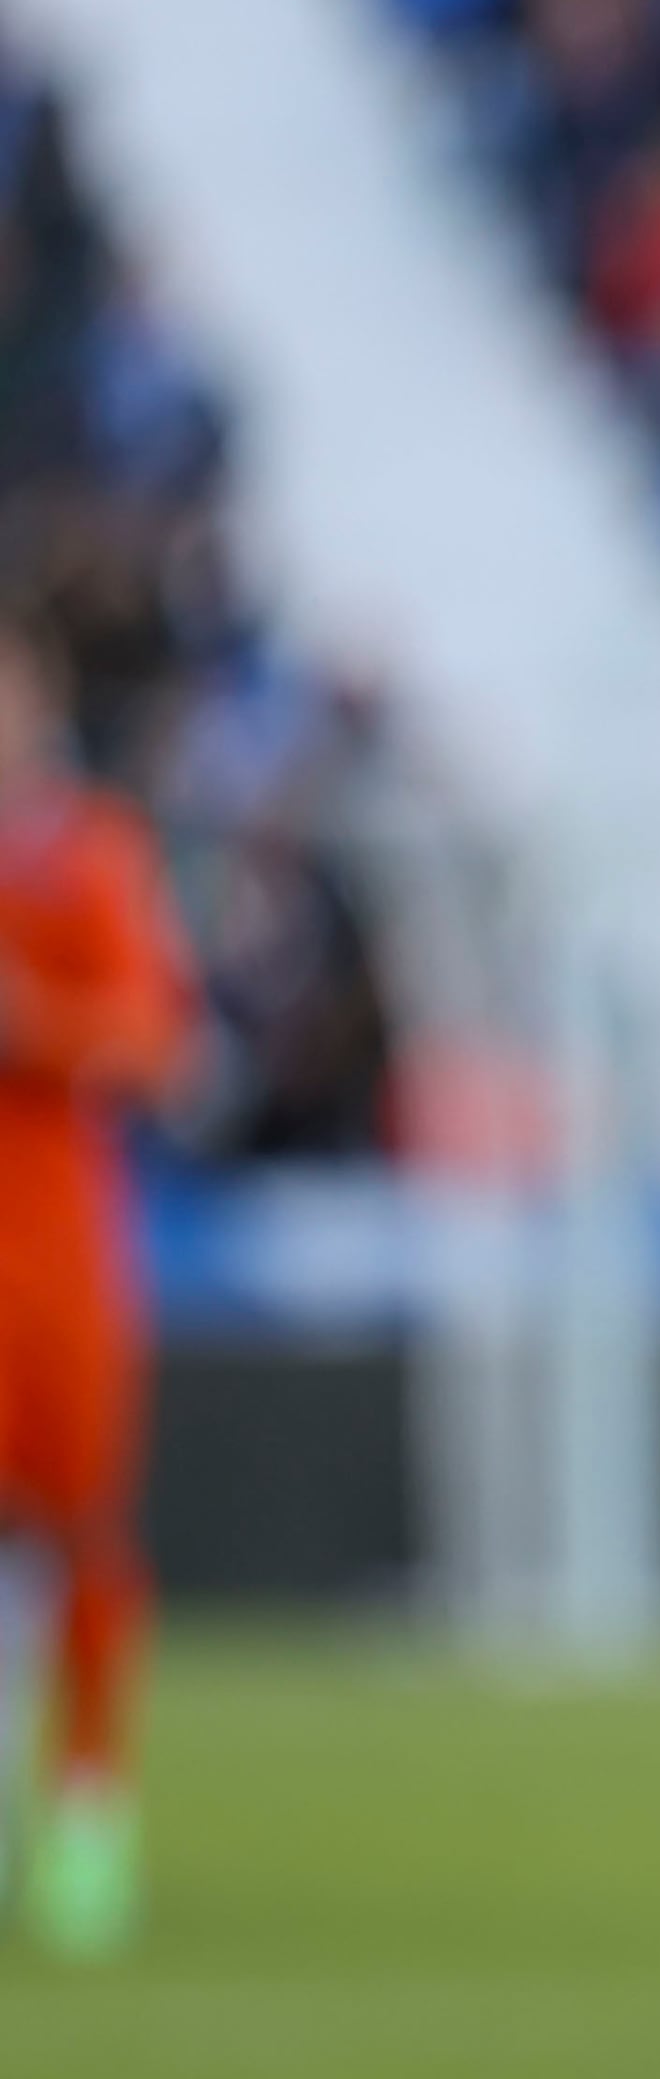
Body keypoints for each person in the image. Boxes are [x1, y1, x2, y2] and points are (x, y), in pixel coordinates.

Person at [0, 628, 199, 1962]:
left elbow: (155, 1042)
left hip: (57, 1259)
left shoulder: (92, 857)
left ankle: (87, 1805)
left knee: (80, 1531)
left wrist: (36, 1025)